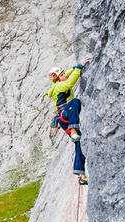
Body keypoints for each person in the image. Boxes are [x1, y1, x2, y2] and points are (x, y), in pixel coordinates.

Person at [47, 54, 91, 185]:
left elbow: (68, 72)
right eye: (61, 75)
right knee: (75, 102)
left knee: (79, 143)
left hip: (63, 117)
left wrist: (77, 65)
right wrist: (80, 67)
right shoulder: (59, 86)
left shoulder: (57, 82)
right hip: (65, 112)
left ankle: (81, 174)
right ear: (57, 79)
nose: (64, 75)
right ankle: (73, 130)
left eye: (63, 73)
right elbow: (69, 83)